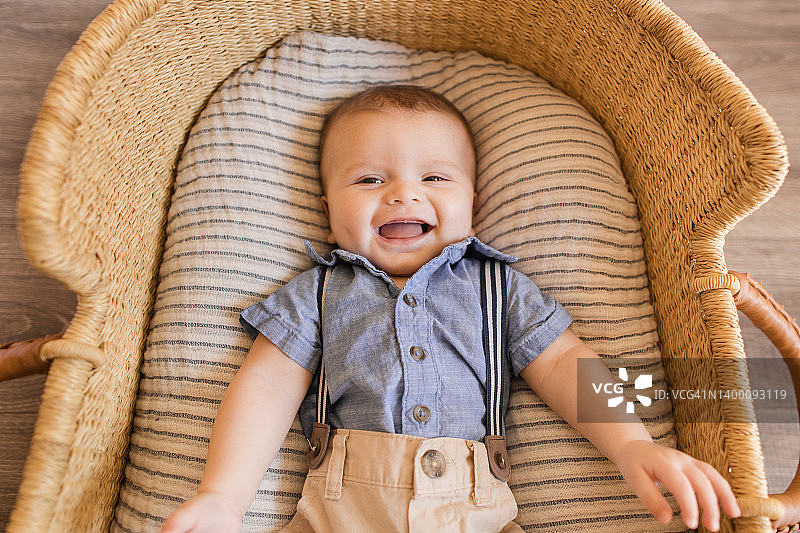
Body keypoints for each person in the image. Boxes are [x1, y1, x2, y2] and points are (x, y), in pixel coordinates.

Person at [160, 85, 741, 533]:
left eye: (434, 177)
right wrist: (224, 496)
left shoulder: (500, 288)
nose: (403, 193)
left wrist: (632, 443)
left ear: (473, 204)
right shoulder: (318, 291)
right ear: (327, 209)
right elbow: (264, 387)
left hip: (475, 511)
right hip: (343, 511)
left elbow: (566, 365)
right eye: (367, 179)